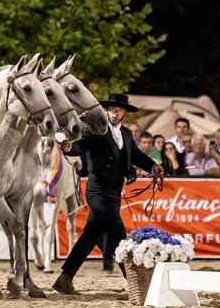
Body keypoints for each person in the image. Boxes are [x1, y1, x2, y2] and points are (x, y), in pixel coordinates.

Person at [53, 93, 162, 294]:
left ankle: (65, 278)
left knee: (91, 234)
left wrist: (153, 166)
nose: (115, 113)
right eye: (112, 109)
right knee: (117, 232)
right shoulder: (95, 130)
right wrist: (69, 147)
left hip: (114, 192)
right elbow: (80, 145)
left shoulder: (127, 134)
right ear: (106, 111)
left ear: (124, 113)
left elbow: (136, 156)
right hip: (96, 191)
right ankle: (132, 280)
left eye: (119, 110)